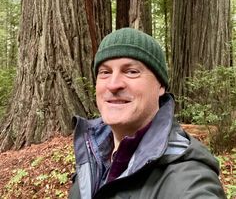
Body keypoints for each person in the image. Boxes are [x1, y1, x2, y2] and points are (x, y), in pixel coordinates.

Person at [69, 27, 226, 199]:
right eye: (105, 72)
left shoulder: (188, 178)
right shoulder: (93, 157)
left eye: (131, 72)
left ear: (160, 85)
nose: (113, 84)